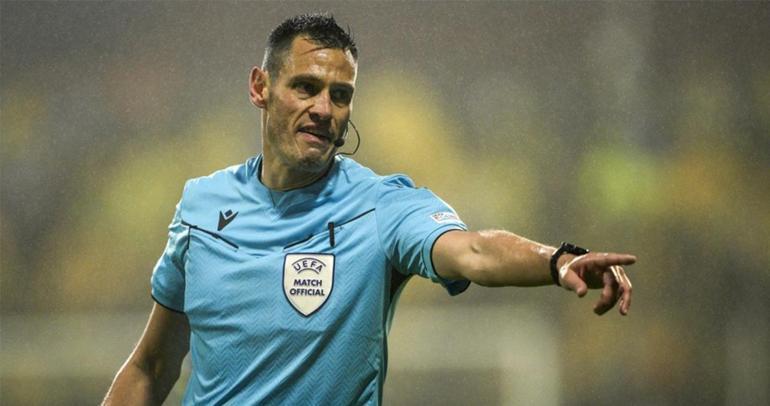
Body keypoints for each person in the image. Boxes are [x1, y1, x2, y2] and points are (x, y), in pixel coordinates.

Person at [102, 13, 636, 405]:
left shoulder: (381, 206)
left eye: (340, 95)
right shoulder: (202, 204)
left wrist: (556, 260)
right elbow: (152, 365)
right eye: (306, 88)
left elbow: (473, 250)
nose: (323, 109)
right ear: (260, 87)